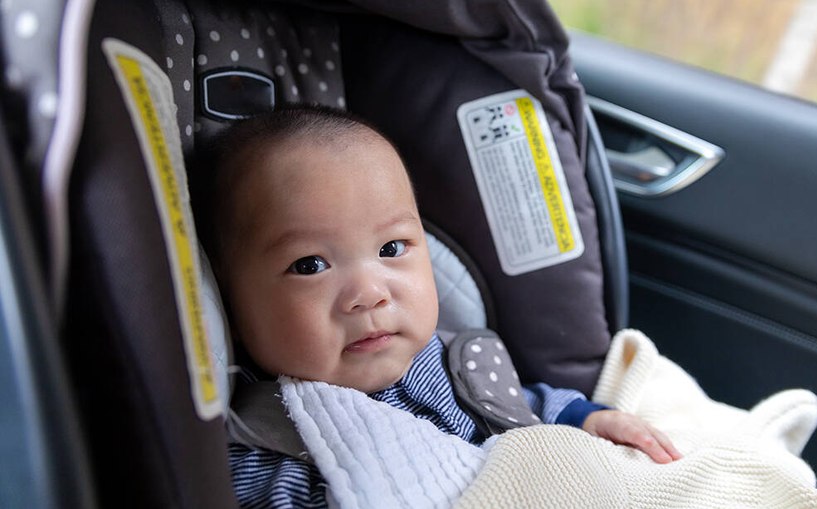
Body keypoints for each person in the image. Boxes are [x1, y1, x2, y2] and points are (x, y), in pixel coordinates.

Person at [194, 105, 681, 508]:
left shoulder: (458, 363)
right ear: (229, 304)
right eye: (309, 265)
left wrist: (587, 419)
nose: (370, 293)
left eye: (391, 249)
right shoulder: (261, 443)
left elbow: (522, 407)